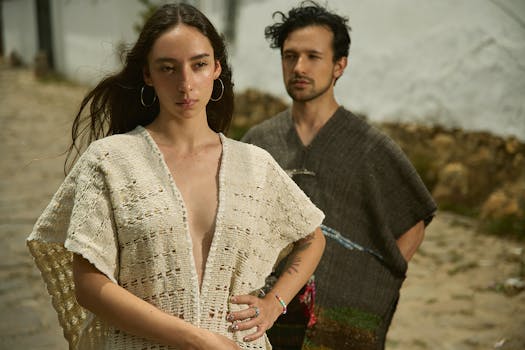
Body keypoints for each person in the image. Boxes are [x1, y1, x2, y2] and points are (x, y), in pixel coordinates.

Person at [26, 3, 326, 350]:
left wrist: (275, 304)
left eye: (198, 65)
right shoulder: (110, 161)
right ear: (148, 75)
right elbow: (89, 286)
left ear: (216, 68)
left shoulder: (255, 165)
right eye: (168, 68)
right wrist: (197, 339)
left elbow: (311, 237)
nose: (185, 83)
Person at [242, 1, 437, 349]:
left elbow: (413, 223)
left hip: (340, 325)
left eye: (313, 56)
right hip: (266, 316)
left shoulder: (369, 145)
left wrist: (371, 283)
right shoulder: (260, 141)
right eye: (290, 56)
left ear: (339, 65)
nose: (299, 67)